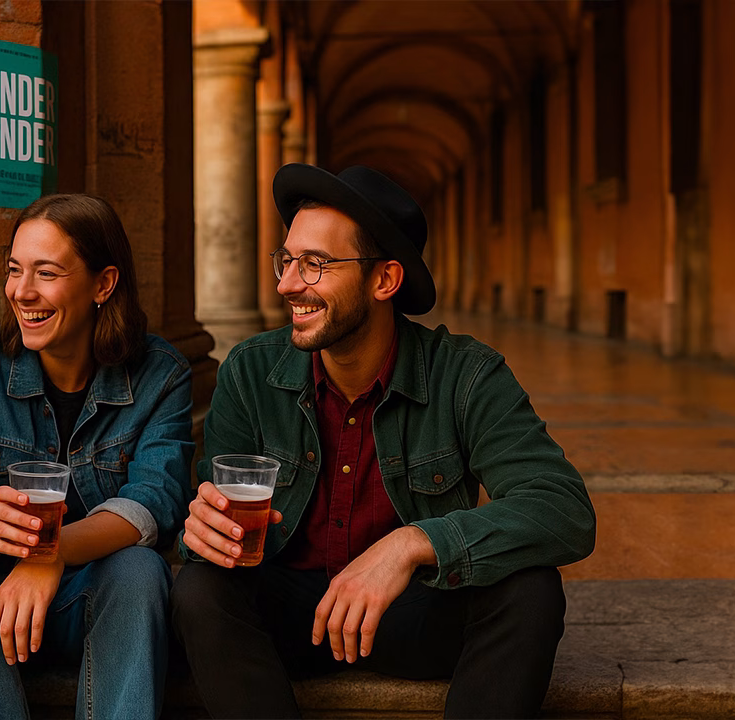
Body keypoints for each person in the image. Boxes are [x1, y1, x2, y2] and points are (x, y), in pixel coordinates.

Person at [171, 164, 596, 719]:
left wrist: (412, 543)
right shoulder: (250, 373)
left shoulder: (466, 375)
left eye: (315, 264)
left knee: (531, 591)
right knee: (201, 589)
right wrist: (203, 528)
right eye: (287, 260)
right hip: (288, 621)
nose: (286, 284)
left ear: (385, 280)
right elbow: (213, 522)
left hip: (411, 615)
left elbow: (564, 510)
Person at [0, 194, 194, 720]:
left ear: (103, 284)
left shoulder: (162, 373)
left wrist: (51, 552)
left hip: (97, 596)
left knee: (139, 569)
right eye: (15, 270)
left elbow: (156, 501)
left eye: (46, 273)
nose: (23, 292)